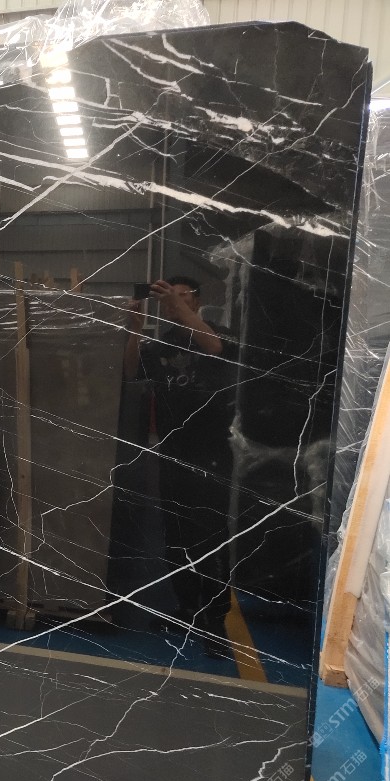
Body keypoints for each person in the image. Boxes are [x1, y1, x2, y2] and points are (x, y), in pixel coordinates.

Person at [123, 277, 239, 656]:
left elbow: (215, 348)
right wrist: (134, 329)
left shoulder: (215, 332)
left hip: (212, 455)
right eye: (168, 295)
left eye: (182, 294)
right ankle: (187, 608)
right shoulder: (164, 344)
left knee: (211, 537)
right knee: (175, 536)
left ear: (196, 299)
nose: (173, 300)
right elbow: (131, 371)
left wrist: (181, 309)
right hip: (173, 454)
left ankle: (215, 620)